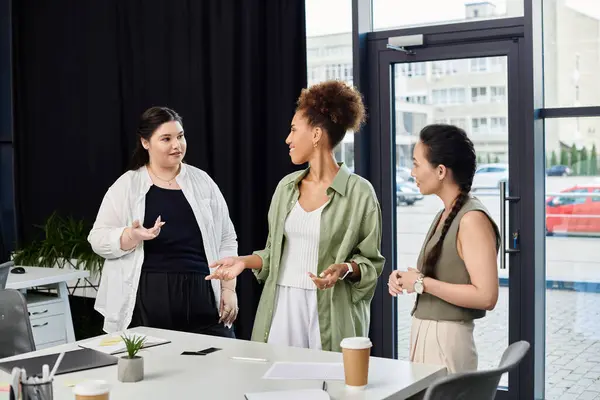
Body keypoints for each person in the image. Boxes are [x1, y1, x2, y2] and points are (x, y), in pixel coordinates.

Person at [205, 80, 385, 352]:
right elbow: (274, 254)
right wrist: (242, 262)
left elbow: (371, 262)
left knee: (331, 387)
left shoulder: (360, 193)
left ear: (315, 135)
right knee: (278, 389)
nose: (287, 139)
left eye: (293, 130)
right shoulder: (286, 188)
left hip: (331, 310)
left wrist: (345, 269)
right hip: (282, 305)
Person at [88, 106, 238, 337]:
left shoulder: (203, 182)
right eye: (166, 139)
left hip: (204, 299)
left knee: (219, 366)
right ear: (145, 142)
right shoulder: (128, 185)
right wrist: (130, 236)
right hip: (148, 303)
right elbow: (97, 239)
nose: (177, 145)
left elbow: (227, 238)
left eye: (180, 136)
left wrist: (228, 289)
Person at [388, 124, 500, 373]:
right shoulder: (445, 213)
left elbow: (487, 296)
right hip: (429, 336)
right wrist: (407, 279)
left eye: (416, 164)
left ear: (440, 171)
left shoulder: (471, 219)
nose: (411, 172)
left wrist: (421, 284)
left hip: (447, 342)